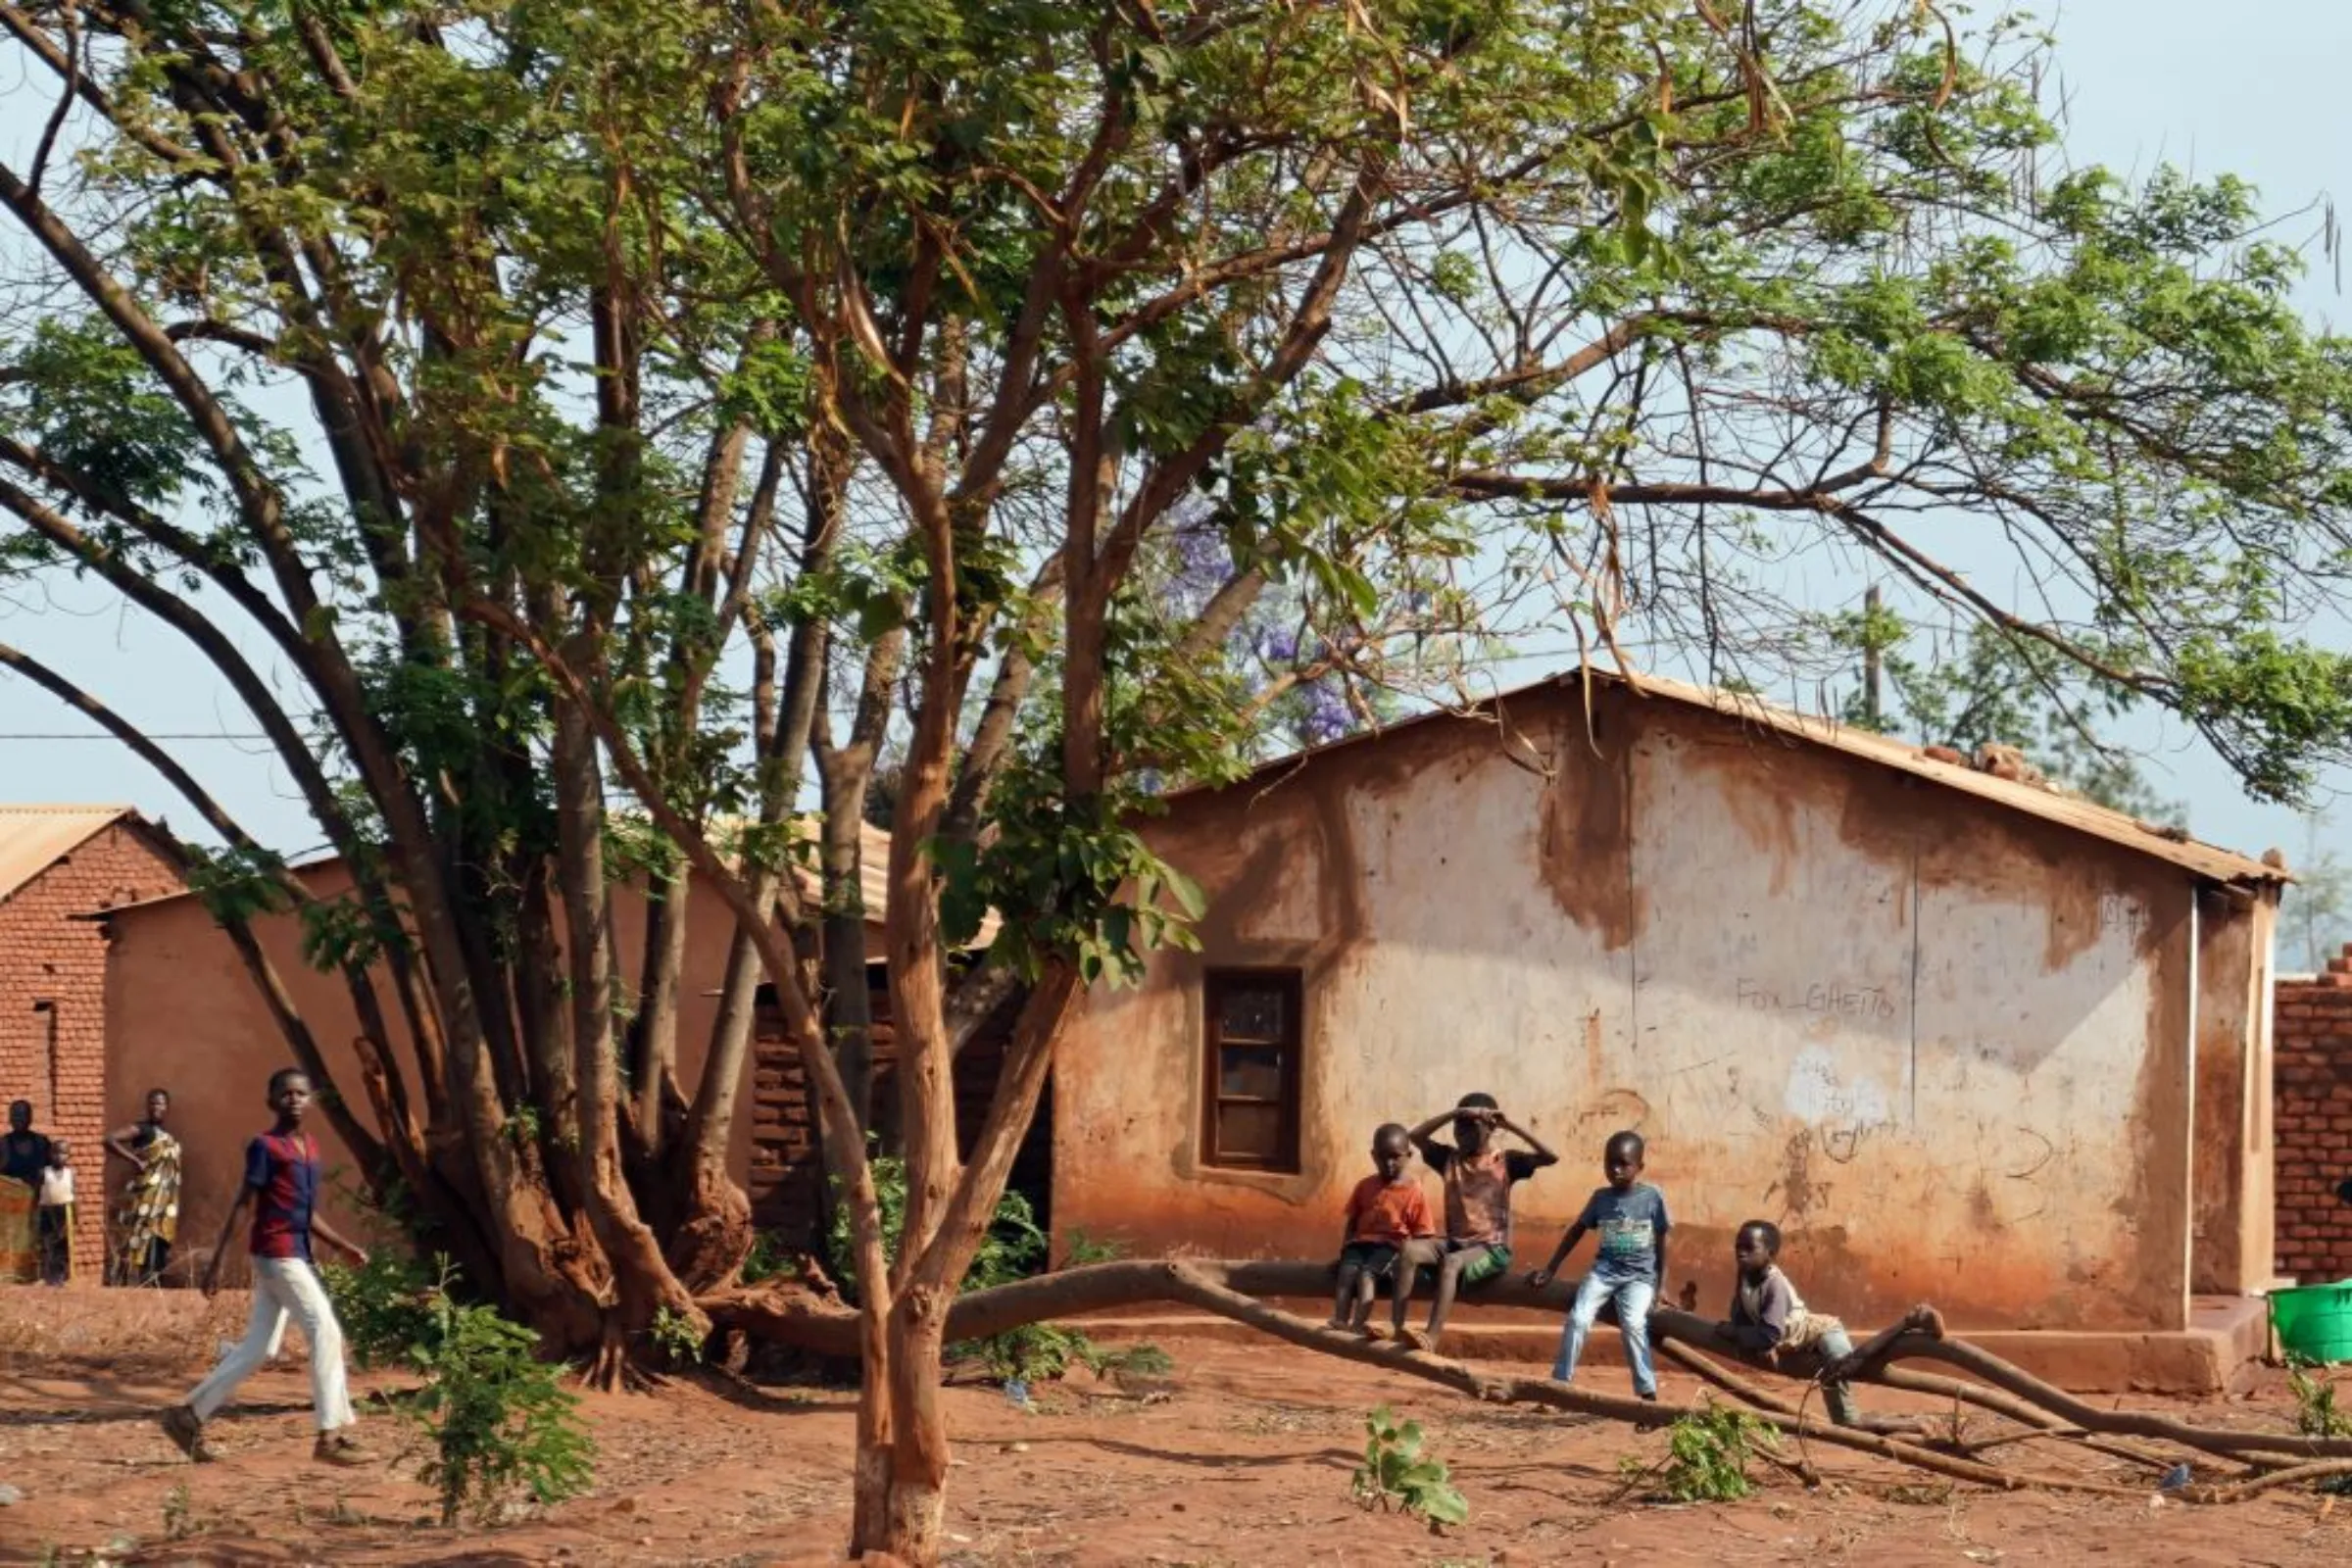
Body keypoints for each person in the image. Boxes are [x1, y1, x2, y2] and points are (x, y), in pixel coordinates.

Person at [159, 1069, 372, 1467]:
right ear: (271, 1100)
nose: (294, 1099)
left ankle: (186, 1416)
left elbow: (305, 1213)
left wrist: (343, 1247)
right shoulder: (265, 1146)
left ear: (310, 1101)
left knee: (261, 1348)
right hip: (277, 1254)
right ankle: (330, 1434)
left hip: (292, 1251)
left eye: (300, 1093)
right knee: (324, 1328)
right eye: (285, 1093)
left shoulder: (309, 1147)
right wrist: (218, 1258)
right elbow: (245, 1202)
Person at [1396, 1093, 1558, 1350]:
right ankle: (1396, 1329)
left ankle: (1432, 1337)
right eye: (1459, 1126)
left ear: (1490, 1128)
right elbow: (1415, 1137)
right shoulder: (1448, 1159)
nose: (1461, 1133)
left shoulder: (1507, 1162)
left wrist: (1509, 1125)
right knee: (1409, 1250)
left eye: (1471, 1126)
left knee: (1451, 1263)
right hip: (1455, 1243)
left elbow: (1551, 1157)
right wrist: (1454, 1113)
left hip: (1492, 1250)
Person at [1528, 1129, 1669, 1400]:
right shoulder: (1600, 1199)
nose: (1615, 1170)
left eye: (1624, 1163)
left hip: (1639, 1278)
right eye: (1610, 1163)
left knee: (1634, 1324)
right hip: (1604, 1273)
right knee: (1578, 1318)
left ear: (1640, 1167)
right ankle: (1560, 1385)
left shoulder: (1652, 1197)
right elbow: (1576, 1231)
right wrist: (1550, 1268)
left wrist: (1661, 1286)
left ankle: (1647, 1391)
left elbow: (1663, 1241)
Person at [1717, 1219, 1861, 1426]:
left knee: (1838, 1373)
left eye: (1750, 1248)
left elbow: (1769, 1335)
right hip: (1792, 1339)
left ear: (1770, 1254)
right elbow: (1742, 1313)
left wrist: (1735, 1333)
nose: (1741, 1253)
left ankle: (1853, 1424)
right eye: (1738, 1247)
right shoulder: (1745, 1274)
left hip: (1821, 1332)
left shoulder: (1774, 1283)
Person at [1325, 1123, 1436, 1337]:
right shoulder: (1364, 1186)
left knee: (1367, 1276)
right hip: (1359, 1244)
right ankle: (1340, 1318)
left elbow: (1424, 1235)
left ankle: (1358, 1323)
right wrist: (1344, 1251)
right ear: (1373, 1156)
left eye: (1395, 1157)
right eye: (1382, 1157)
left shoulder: (1414, 1191)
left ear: (1409, 1155)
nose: (1389, 1163)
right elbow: (1353, 1222)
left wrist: (1410, 1263)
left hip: (1390, 1247)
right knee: (1346, 1274)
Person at [107, 1088, 182, 1286]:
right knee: (140, 1235)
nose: (157, 1107)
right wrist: (134, 1160)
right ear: (147, 1106)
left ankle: (153, 1279)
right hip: (146, 1197)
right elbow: (110, 1139)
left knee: (160, 1238)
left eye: (161, 1103)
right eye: (153, 1103)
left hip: (165, 1201)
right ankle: (133, 1279)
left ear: (167, 1107)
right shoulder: (142, 1129)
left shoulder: (167, 1135)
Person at [0, 1101, 53, 1285]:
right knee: (9, 1239)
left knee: (34, 1238)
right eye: (15, 1115)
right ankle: (8, 1274)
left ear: (31, 1117)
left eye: (22, 1115)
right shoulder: (3, 1144)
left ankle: (32, 1274)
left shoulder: (42, 1143)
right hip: (8, 1212)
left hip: (35, 1203)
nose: (19, 1119)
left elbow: (51, 1171)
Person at [37, 1137, 76, 1285]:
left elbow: (74, 1195)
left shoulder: (71, 1173)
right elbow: (37, 1194)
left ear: (69, 1155)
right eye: (56, 1153)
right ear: (50, 1154)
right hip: (47, 1210)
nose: (59, 1156)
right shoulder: (43, 1173)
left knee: (63, 1245)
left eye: (63, 1153)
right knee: (47, 1244)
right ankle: (46, 1276)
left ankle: (61, 1276)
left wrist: (76, 1216)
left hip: (64, 1211)